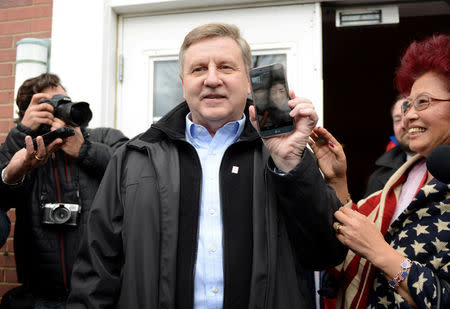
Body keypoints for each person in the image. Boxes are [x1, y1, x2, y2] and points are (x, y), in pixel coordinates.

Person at [67, 22, 347, 308]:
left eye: (226, 67)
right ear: (183, 82)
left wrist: (290, 166)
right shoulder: (133, 158)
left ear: (249, 80)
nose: (212, 79)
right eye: (198, 69)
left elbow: (325, 253)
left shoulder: (288, 155)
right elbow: (96, 273)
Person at [310, 34, 449, 308]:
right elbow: (356, 240)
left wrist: (380, 251)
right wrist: (338, 181)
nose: (409, 115)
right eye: (409, 104)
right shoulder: (406, 175)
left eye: (423, 102)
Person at [0, 73, 129, 308]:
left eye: (63, 99)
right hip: (40, 297)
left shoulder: (104, 138)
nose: (61, 108)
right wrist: (22, 132)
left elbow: (133, 172)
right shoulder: (27, 153)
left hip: (100, 295)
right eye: (49, 105)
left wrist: (85, 150)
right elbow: (1, 194)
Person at [364, 96, 416, 196]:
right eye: (398, 120)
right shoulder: (378, 177)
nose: (404, 124)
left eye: (410, 117)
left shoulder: (443, 168)